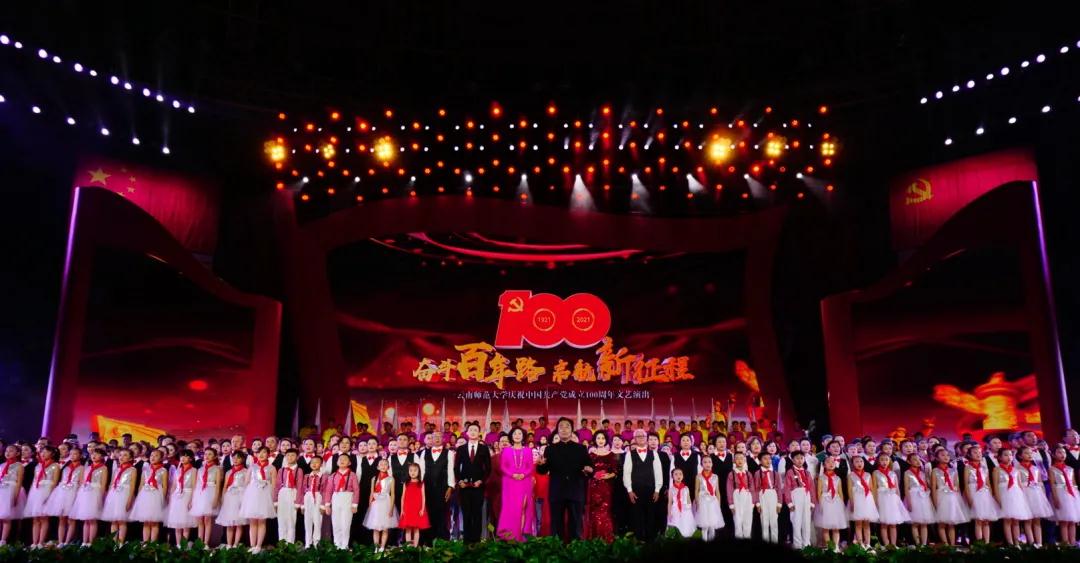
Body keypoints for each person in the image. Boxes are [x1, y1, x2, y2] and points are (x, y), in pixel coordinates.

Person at [537, 417, 593, 541]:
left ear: (572, 430)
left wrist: (589, 470)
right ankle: (557, 549)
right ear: (557, 430)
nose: (564, 429)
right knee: (556, 525)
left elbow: (590, 468)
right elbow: (543, 471)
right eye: (561, 426)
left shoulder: (581, 449)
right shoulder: (550, 449)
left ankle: (576, 549)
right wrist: (540, 465)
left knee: (576, 525)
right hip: (557, 492)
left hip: (575, 491)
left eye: (567, 426)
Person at [454, 422, 491, 543]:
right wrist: (459, 481)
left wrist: (481, 481)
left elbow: (488, 468)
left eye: (475, 430)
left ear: (479, 433)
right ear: (467, 433)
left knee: (477, 514)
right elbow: (456, 467)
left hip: (478, 487)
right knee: (466, 514)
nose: (473, 432)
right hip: (464, 487)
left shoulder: (484, 448)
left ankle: (476, 542)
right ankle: (467, 541)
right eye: (471, 430)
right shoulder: (461, 449)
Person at [623, 429, 661, 540]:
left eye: (643, 436)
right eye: (638, 436)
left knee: (651, 515)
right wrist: (629, 490)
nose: (641, 438)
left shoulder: (654, 453)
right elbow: (626, 473)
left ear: (646, 438)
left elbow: (658, 472)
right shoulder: (630, 454)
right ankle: (638, 540)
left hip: (651, 490)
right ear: (634, 439)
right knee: (637, 516)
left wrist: (657, 490)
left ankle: (650, 541)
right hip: (636, 490)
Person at [498, 427, 536, 541]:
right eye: (515, 433)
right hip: (509, 482)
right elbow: (503, 466)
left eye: (519, 433)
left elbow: (531, 466)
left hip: (524, 481)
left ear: (523, 436)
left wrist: (523, 474)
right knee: (511, 509)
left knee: (523, 508)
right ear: (511, 436)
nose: (517, 435)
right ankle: (510, 536)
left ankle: (520, 535)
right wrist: (512, 474)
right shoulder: (506, 450)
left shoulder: (528, 450)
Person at [419, 430, 455, 544]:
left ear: (443, 439)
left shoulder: (449, 453)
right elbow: (421, 471)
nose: (437, 439)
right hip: (427, 487)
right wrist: (420, 487)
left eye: (439, 437)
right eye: (434, 437)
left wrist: (450, 487)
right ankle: (428, 541)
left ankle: (442, 541)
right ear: (431, 439)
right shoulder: (424, 453)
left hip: (443, 488)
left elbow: (450, 470)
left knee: (442, 513)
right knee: (428, 513)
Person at [239, 446, 277, 552]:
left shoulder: (272, 468)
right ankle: (252, 545)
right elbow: (246, 482)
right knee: (252, 521)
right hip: (253, 494)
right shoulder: (252, 467)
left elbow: (274, 484)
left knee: (261, 521)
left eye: (264, 452)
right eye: (259, 452)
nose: (261, 454)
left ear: (268, 454)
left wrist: (273, 498)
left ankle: (259, 545)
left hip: (265, 494)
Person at [43, 447, 83, 545]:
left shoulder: (81, 468)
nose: (72, 456)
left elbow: (81, 482)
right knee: (61, 518)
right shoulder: (66, 467)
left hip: (73, 492)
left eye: (75, 454)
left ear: (80, 456)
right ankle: (60, 541)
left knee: (71, 519)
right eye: (71, 454)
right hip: (62, 492)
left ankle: (67, 541)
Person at [992, 448, 1032, 545]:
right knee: (1007, 520)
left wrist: (1023, 499)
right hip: (1004, 496)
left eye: (1010, 455)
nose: (1009, 457)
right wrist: (998, 500)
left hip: (1016, 496)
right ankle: (1010, 543)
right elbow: (995, 486)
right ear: (1000, 457)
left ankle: (1017, 542)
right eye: (1006, 455)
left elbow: (1019, 485)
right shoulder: (996, 470)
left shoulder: (1015, 470)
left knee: (1016, 521)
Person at [69, 447, 107, 546]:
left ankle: (91, 542)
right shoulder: (88, 468)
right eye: (92, 454)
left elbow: (103, 484)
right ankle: (84, 542)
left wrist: (101, 497)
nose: (94, 456)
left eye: (97, 454)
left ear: (102, 456)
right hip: (85, 493)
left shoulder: (103, 468)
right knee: (86, 519)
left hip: (95, 494)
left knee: (92, 519)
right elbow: (83, 482)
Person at [24, 446, 60, 548]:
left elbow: (54, 482)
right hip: (36, 492)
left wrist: (50, 496)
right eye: (42, 452)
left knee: (44, 518)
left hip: (47, 491)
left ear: (52, 454)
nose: (43, 454)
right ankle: (34, 542)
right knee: (36, 519)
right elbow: (34, 480)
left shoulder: (55, 466)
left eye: (46, 452)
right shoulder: (38, 466)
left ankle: (41, 542)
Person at [586, 431, 618, 541]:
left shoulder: (611, 454)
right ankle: (594, 538)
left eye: (603, 438)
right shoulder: (591, 455)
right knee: (593, 511)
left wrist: (607, 476)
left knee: (605, 511)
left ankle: (606, 538)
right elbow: (587, 471)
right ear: (595, 440)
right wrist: (593, 474)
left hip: (606, 487)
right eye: (598, 438)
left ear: (606, 440)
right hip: (594, 486)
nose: (600, 440)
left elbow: (615, 472)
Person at [930, 447, 966, 546]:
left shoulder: (953, 470)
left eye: (947, 455)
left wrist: (958, 500)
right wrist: (935, 502)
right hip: (941, 497)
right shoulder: (935, 471)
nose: (946, 457)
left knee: (951, 522)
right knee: (942, 523)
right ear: (937, 458)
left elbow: (957, 486)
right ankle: (945, 544)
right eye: (942, 455)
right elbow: (933, 487)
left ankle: (952, 544)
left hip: (952, 498)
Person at [1017, 445, 1053, 546]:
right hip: (1025, 494)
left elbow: (1040, 483)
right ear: (1020, 456)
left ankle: (1039, 543)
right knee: (1028, 520)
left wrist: (1043, 495)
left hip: (1036, 495)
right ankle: (1032, 543)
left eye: (1030, 453)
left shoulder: (1035, 468)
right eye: (1026, 453)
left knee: (1037, 520)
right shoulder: (1017, 468)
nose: (1029, 455)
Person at [872, 451, 909, 546]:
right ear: (878, 461)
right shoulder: (876, 473)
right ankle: (886, 544)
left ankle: (893, 544)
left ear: (889, 461)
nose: (884, 462)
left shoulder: (892, 473)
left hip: (892, 499)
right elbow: (874, 488)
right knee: (884, 523)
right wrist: (875, 502)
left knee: (893, 524)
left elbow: (897, 488)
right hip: (882, 499)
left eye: (886, 460)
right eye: (882, 460)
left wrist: (899, 500)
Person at [101, 448, 138, 544]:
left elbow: (132, 486)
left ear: (130, 458)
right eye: (120, 455)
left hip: (124, 495)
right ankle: (113, 543)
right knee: (114, 520)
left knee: (122, 520)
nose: (121, 457)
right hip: (114, 495)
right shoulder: (117, 469)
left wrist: (129, 500)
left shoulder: (132, 470)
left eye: (125, 455)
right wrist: (108, 498)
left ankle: (120, 543)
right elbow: (112, 483)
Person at [323, 453, 360, 549]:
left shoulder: (352, 475)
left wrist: (354, 505)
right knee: (336, 523)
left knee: (346, 524)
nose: (342, 461)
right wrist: (327, 504)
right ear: (337, 462)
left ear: (349, 463)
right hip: (336, 498)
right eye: (340, 459)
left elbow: (356, 490)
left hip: (348, 498)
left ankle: (344, 545)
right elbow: (328, 491)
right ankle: (337, 545)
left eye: (345, 459)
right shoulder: (333, 476)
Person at [964, 444, 999, 542]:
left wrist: (991, 497)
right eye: (975, 453)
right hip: (974, 493)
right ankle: (980, 543)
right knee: (978, 520)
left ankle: (987, 542)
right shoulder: (968, 468)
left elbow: (988, 483)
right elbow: (966, 484)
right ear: (969, 455)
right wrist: (969, 499)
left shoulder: (984, 468)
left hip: (985, 494)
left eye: (979, 452)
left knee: (986, 520)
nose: (978, 454)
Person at [164, 449, 198, 547]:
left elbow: (194, 486)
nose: (183, 458)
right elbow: (174, 485)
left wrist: (191, 500)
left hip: (187, 495)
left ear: (190, 458)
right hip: (177, 497)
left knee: (186, 523)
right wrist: (171, 497)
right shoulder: (178, 470)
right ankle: (178, 544)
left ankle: (184, 544)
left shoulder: (193, 470)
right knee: (177, 522)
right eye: (181, 456)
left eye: (186, 456)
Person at [363, 458, 397, 553]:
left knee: (385, 528)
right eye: (381, 464)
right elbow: (371, 493)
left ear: (388, 467)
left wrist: (391, 508)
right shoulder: (374, 479)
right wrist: (370, 505)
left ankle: (382, 547)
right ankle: (376, 547)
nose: (383, 466)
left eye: (385, 464)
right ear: (378, 467)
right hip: (376, 504)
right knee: (376, 528)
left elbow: (392, 494)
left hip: (386, 503)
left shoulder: (391, 479)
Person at [216, 451, 250, 548]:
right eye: (234, 458)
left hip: (240, 497)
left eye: (238, 458)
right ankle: (229, 544)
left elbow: (247, 486)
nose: (235, 460)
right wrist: (223, 498)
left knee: (239, 523)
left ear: (242, 459)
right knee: (229, 522)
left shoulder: (246, 471)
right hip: (229, 497)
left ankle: (236, 544)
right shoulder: (229, 472)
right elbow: (225, 486)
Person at [813, 455, 847, 550]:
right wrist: (820, 504)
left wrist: (842, 505)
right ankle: (829, 547)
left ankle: (835, 546)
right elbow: (819, 492)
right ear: (824, 465)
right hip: (825, 502)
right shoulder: (821, 478)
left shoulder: (838, 478)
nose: (831, 464)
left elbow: (840, 492)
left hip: (836, 502)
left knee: (836, 527)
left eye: (833, 462)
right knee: (825, 527)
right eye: (828, 462)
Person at [190, 447, 223, 547]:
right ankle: (199, 542)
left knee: (207, 520)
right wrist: (193, 499)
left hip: (210, 493)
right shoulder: (200, 469)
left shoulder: (217, 469)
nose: (207, 456)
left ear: (215, 456)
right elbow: (197, 485)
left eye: (210, 454)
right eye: (205, 454)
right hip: (200, 494)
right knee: (200, 520)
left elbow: (218, 486)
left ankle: (206, 543)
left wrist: (216, 499)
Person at [783, 450, 815, 549]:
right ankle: (797, 545)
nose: (800, 460)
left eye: (801, 458)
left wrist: (812, 502)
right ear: (793, 460)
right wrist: (789, 503)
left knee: (806, 521)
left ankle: (807, 544)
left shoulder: (807, 472)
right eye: (797, 458)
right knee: (796, 521)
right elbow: (787, 488)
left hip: (806, 496)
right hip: (795, 496)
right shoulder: (790, 472)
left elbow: (812, 487)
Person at [1049, 444, 1080, 545]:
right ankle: (1066, 544)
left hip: (1071, 495)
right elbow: (1053, 484)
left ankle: (1073, 542)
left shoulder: (1070, 468)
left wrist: (1076, 497)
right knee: (1064, 521)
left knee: (1072, 521)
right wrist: (1055, 498)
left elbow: (1074, 483)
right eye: (1059, 452)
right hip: (1061, 494)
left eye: (1064, 452)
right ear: (1053, 455)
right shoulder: (1052, 469)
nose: (1062, 454)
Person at [846, 454, 878, 547]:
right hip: (857, 500)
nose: (859, 463)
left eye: (861, 461)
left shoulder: (868, 475)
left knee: (867, 523)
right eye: (856, 462)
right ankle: (860, 543)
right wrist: (852, 502)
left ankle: (867, 543)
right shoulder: (851, 475)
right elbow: (849, 489)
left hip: (867, 500)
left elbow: (871, 489)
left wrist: (874, 502)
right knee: (858, 523)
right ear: (853, 464)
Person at [903, 452, 934, 546]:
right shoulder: (907, 473)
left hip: (923, 498)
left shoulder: (922, 473)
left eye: (918, 459)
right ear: (909, 462)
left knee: (924, 523)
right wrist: (909, 502)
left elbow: (926, 486)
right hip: (913, 497)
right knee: (915, 523)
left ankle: (924, 544)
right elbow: (906, 488)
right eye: (914, 460)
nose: (917, 461)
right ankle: (917, 543)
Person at [398, 462, 429, 547]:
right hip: (408, 508)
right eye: (411, 470)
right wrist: (402, 510)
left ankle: (415, 546)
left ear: (419, 472)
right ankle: (408, 546)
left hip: (417, 508)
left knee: (416, 529)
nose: (413, 472)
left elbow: (423, 496)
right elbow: (402, 497)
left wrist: (422, 509)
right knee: (408, 529)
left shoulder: (421, 483)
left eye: (415, 470)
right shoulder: (406, 483)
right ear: (408, 472)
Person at [275, 448, 302, 544]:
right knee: (281, 519)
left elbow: (300, 486)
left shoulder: (299, 470)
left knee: (291, 519)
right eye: (288, 455)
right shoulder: (281, 470)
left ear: (297, 457)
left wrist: (298, 501)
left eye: (293, 455)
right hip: (282, 493)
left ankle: (290, 543)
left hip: (292, 492)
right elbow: (277, 486)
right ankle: (282, 542)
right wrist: (275, 501)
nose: (290, 457)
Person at [0, 445, 25, 546]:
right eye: (6, 451)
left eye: (11, 451)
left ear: (17, 453)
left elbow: (19, 482)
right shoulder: (2, 465)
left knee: (6, 517)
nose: (8, 452)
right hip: (1, 491)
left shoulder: (19, 466)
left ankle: (3, 540)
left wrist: (15, 496)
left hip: (11, 491)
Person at [727, 451, 755, 539]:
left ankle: (747, 537)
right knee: (737, 520)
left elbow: (752, 487)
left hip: (747, 496)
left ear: (744, 460)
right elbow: (729, 489)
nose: (739, 460)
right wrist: (731, 504)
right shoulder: (731, 474)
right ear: (734, 461)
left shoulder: (748, 473)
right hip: (736, 496)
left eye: (741, 458)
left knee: (748, 519)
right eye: (737, 458)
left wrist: (753, 502)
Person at [754, 450, 780, 544]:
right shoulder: (758, 473)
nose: (768, 461)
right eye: (765, 459)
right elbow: (756, 489)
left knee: (774, 521)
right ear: (760, 461)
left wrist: (779, 503)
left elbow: (779, 489)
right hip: (763, 495)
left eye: (769, 459)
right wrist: (757, 503)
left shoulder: (775, 473)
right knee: (764, 521)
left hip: (773, 495)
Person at [694, 454, 723, 541]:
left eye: (709, 462)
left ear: (712, 464)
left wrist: (718, 504)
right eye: (705, 462)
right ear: (701, 464)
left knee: (712, 525)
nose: (707, 464)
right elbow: (696, 490)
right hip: (702, 502)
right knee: (705, 526)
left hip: (713, 502)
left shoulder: (715, 476)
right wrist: (697, 502)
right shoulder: (698, 476)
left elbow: (717, 491)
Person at [300, 456, 324, 547]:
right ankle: (308, 544)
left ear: (321, 464)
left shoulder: (324, 476)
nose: (314, 464)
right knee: (307, 521)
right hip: (308, 497)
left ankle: (316, 544)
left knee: (317, 521)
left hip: (318, 497)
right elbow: (302, 490)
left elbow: (326, 491)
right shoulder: (306, 476)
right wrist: (302, 505)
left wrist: (323, 505)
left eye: (317, 462)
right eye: (312, 462)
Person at [667, 467, 695, 538]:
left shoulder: (686, 488)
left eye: (680, 474)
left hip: (685, 508)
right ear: (672, 477)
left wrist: (689, 508)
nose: (678, 476)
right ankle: (677, 533)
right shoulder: (671, 489)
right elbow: (670, 502)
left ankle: (684, 534)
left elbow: (688, 500)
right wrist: (669, 513)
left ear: (683, 476)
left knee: (685, 522)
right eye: (676, 474)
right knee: (676, 522)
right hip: (675, 508)